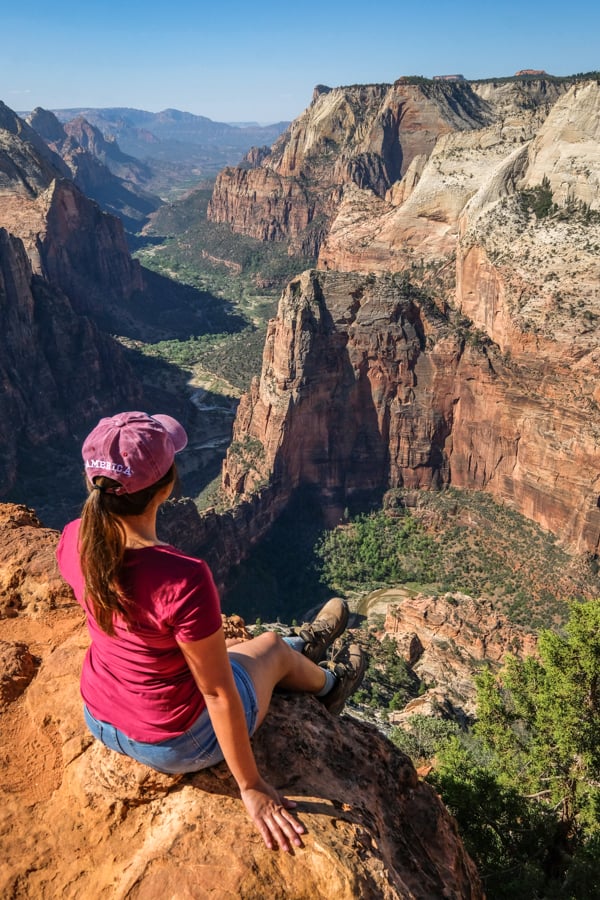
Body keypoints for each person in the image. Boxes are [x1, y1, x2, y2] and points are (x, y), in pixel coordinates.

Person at [56, 411, 366, 852]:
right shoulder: (182, 577)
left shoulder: (72, 539)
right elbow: (218, 695)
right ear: (166, 488)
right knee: (271, 648)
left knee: (233, 649)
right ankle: (332, 684)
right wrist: (252, 786)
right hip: (176, 742)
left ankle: (304, 647)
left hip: (100, 715)